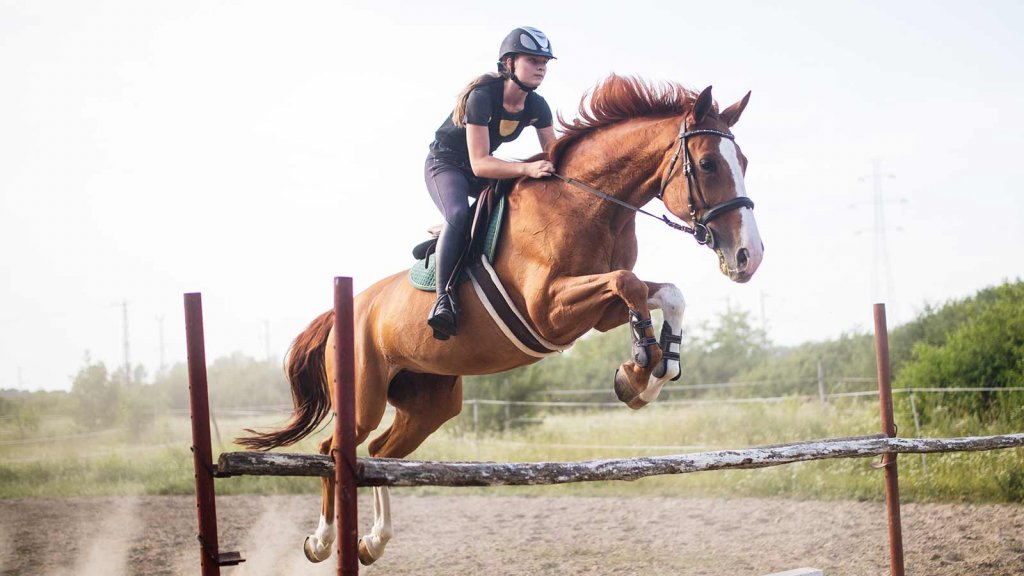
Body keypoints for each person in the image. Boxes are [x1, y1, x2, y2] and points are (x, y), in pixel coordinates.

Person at [424, 26, 557, 340]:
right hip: (446, 164)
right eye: (533, 60)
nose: (541, 67)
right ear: (509, 63)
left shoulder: (537, 106)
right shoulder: (482, 97)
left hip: (478, 168)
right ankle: (443, 298)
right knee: (458, 214)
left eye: (545, 62)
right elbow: (480, 163)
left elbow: (555, 155)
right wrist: (527, 168)